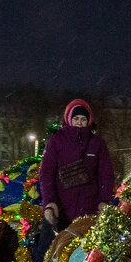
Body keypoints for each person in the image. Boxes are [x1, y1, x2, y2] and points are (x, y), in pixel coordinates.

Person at [38, 99, 115, 232]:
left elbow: (105, 174)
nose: (79, 122)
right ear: (69, 119)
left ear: (89, 120)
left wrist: (104, 200)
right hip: (61, 209)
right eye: (76, 118)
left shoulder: (97, 143)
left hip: (89, 209)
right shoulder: (56, 141)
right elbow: (47, 173)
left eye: (83, 119)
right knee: (48, 249)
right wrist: (50, 202)